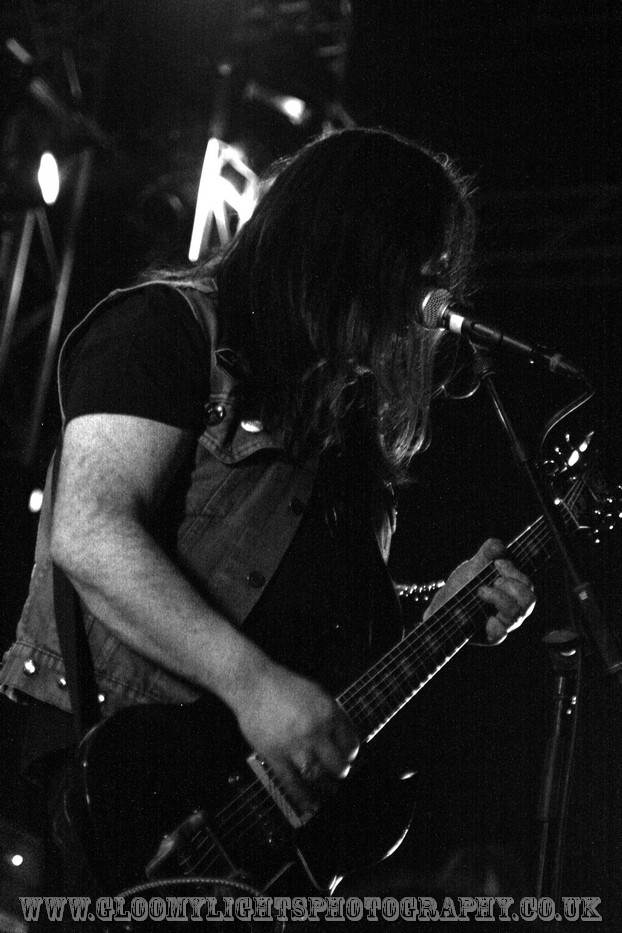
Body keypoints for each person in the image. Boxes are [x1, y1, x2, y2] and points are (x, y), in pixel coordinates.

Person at [0, 127, 534, 896]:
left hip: (237, 838)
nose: (428, 302)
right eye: (418, 269)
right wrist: (253, 686)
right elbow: (89, 532)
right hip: (98, 792)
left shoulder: (348, 429)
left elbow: (311, 623)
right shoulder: (168, 328)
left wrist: (437, 610)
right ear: (350, 246)